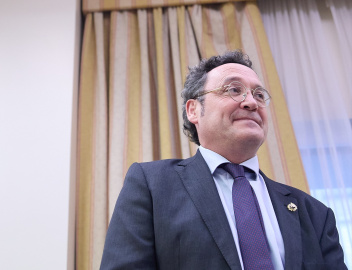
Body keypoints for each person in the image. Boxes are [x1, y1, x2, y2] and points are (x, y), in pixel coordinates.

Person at [99, 51, 347, 270]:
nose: (251, 102)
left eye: (259, 95)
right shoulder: (151, 185)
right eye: (234, 90)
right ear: (194, 110)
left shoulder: (314, 212)